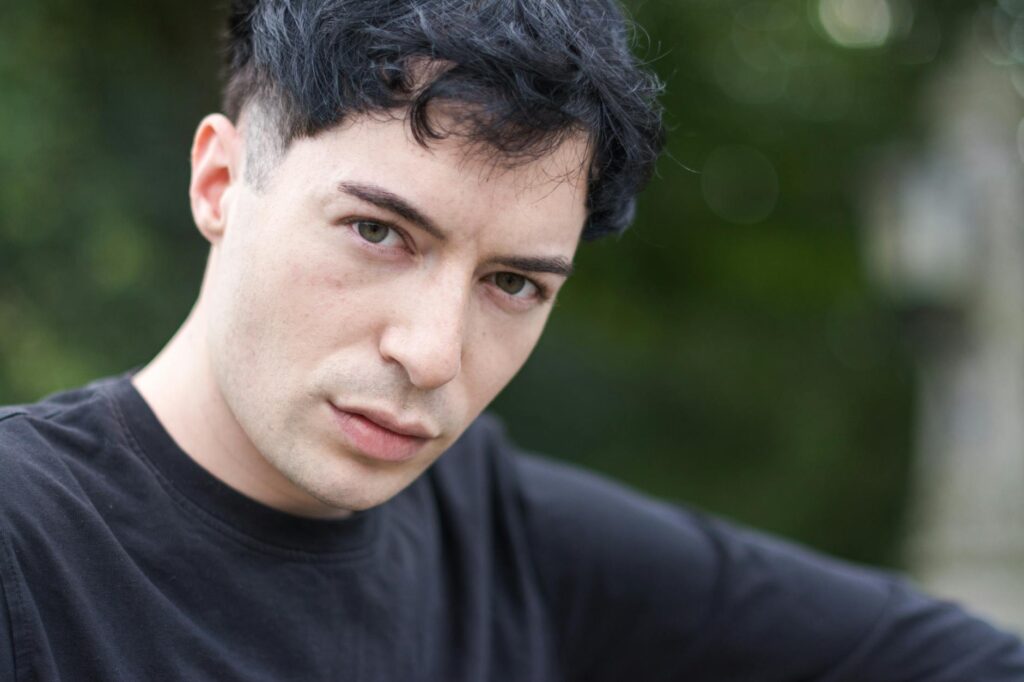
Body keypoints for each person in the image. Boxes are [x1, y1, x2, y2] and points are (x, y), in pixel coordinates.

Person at [1, 0, 1022, 679]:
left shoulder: (487, 527)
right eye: (377, 231)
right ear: (221, 183)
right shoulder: (29, 546)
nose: (434, 351)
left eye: (513, 282)